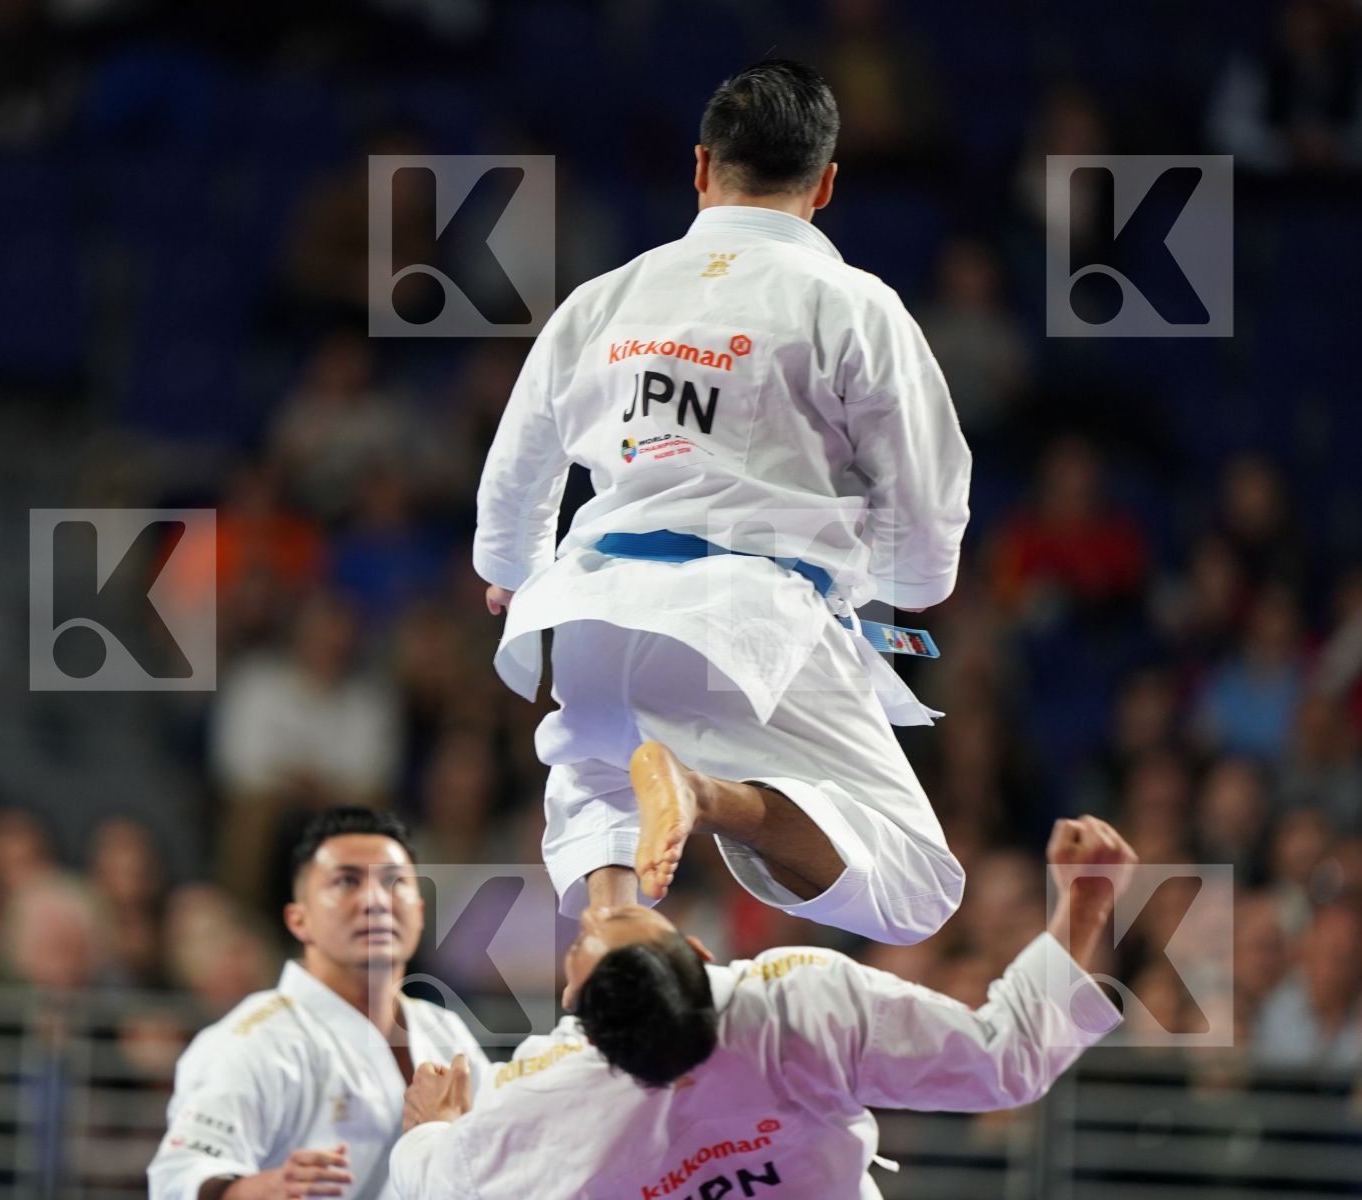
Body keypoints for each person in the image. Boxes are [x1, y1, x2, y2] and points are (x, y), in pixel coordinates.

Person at [473, 58, 971, 943]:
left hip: (593, 605)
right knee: (914, 888)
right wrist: (895, 588)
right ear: (825, 186)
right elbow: (927, 506)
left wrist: (511, 572)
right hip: (752, 619)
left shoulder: (600, 301)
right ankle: (709, 796)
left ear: (701, 167)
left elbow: (518, 470)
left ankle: (616, 943)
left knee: (596, 796)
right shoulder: (853, 305)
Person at [389, 818, 1136, 1200]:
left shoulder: (548, 1089)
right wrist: (1084, 908)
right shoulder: (795, 1006)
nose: (592, 915)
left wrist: (433, 1130)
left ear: (576, 1016)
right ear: (701, 950)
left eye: (588, 931)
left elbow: (441, 1184)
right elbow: (1004, 1064)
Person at [147, 808, 490, 1200]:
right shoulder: (254, 1040)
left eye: (394, 882)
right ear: (299, 920)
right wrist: (257, 1190)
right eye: (347, 881)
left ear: (420, 912)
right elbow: (178, 1178)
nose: (375, 901)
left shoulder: (444, 1030)